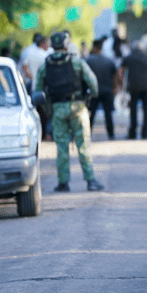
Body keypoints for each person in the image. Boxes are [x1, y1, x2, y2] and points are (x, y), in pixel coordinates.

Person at [35, 32, 105, 192]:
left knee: (61, 147)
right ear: (67, 45)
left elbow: (38, 91)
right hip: (78, 108)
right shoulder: (76, 61)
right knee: (83, 146)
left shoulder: (45, 65)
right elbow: (92, 82)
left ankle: (63, 183)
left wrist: (48, 109)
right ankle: (91, 181)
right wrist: (92, 96)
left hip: (58, 109)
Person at [120, 40, 147, 139]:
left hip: (134, 87)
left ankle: (132, 133)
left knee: (133, 110)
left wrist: (121, 84)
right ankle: (145, 133)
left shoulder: (128, 57)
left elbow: (121, 70)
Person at [86, 39, 118, 140]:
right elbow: (115, 77)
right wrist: (115, 89)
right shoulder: (109, 61)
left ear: (94, 47)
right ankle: (111, 133)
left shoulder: (88, 60)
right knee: (108, 114)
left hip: (93, 91)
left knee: (91, 114)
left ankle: (88, 134)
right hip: (107, 90)